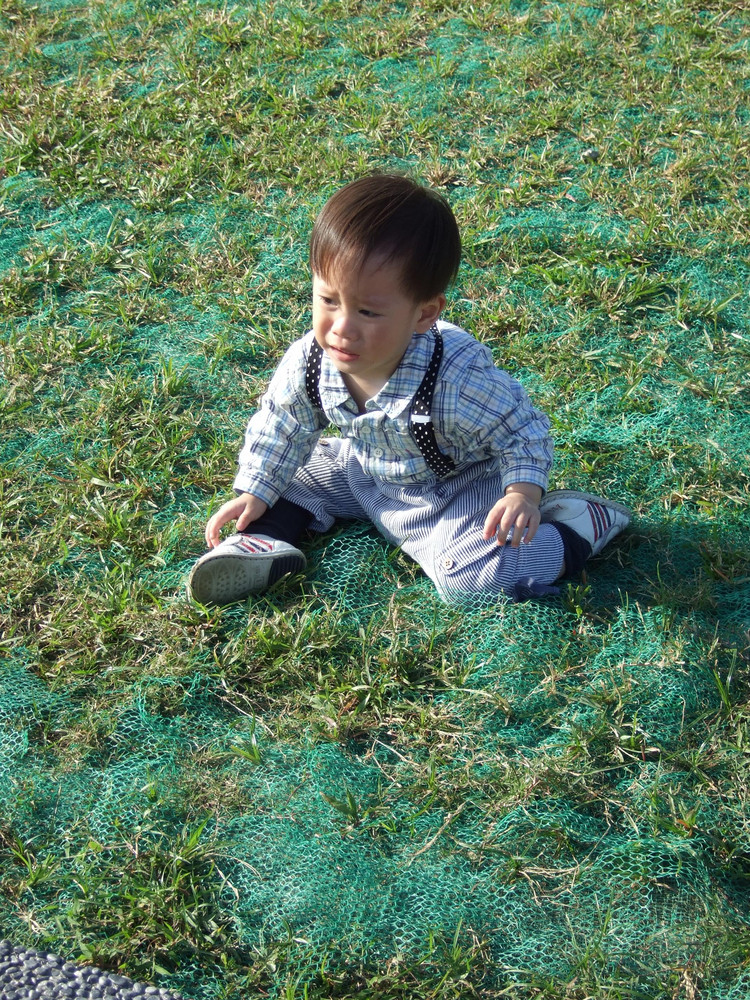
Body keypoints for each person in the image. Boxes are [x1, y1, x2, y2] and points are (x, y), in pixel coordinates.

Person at [188, 174, 630, 606]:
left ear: (424, 314)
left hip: (454, 490)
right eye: (328, 300)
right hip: (366, 470)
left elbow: (522, 430)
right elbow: (282, 424)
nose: (342, 328)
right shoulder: (310, 361)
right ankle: (263, 541)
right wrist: (256, 490)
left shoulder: (455, 379)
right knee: (286, 470)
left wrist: (522, 494)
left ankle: (574, 529)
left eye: (367, 312)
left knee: (469, 578)